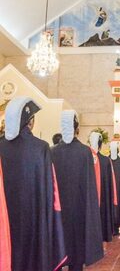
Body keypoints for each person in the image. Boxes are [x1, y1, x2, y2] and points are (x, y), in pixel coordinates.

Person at [0, 97, 66, 270]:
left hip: (6, 215)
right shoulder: (41, 147)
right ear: (30, 122)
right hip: (34, 214)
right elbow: (50, 188)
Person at [52, 110, 103, 271]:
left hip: (58, 210)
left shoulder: (51, 151)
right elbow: (90, 186)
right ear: (77, 129)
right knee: (76, 253)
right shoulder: (85, 152)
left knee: (59, 245)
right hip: (79, 210)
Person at [89, 132, 115, 243]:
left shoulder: (85, 157)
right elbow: (110, 183)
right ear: (100, 145)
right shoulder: (105, 160)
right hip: (103, 198)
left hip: (89, 196)